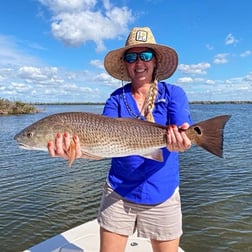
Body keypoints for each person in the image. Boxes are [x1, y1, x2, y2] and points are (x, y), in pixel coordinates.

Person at [48, 27, 192, 252]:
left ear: (155, 62)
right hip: (119, 192)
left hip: (162, 192)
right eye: (131, 56)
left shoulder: (174, 94)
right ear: (125, 64)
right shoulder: (116, 99)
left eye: (145, 56)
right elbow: (103, 142)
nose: (139, 62)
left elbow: (184, 131)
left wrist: (184, 139)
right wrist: (76, 149)